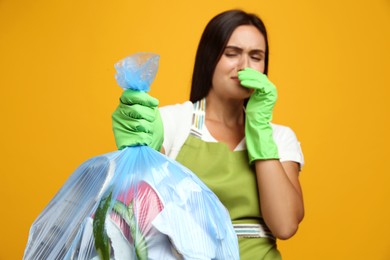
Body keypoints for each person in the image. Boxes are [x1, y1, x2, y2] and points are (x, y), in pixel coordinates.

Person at [112, 9, 304, 260]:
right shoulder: (172, 123)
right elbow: (140, 213)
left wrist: (259, 129)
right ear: (210, 58)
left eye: (256, 57)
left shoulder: (279, 137)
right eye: (231, 53)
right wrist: (139, 149)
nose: (244, 66)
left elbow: (285, 225)